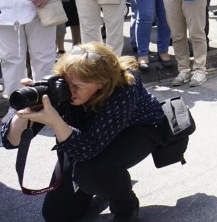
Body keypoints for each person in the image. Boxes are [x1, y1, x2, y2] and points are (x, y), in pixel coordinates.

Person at [1, 43, 165, 221]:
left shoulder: (124, 85)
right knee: (57, 215)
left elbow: (88, 149)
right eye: (67, 83)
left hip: (138, 130)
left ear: (101, 83)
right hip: (86, 137)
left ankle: (126, 204)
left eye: (77, 86)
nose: (69, 91)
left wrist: (55, 121)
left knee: (90, 171)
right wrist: (26, 112)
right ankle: (105, 184)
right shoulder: (60, 86)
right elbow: (11, 141)